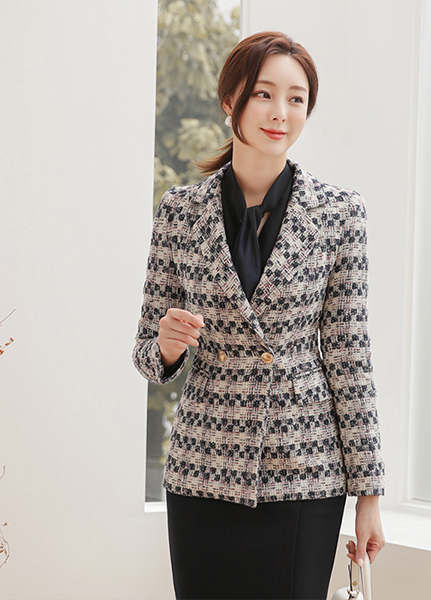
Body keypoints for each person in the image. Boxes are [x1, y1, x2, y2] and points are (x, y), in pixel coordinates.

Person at [133, 30, 385, 600]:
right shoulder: (180, 211)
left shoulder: (339, 213)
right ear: (231, 100)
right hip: (203, 468)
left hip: (304, 470)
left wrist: (368, 495)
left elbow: (350, 357)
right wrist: (167, 346)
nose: (280, 113)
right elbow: (147, 355)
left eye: (296, 99)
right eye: (264, 94)